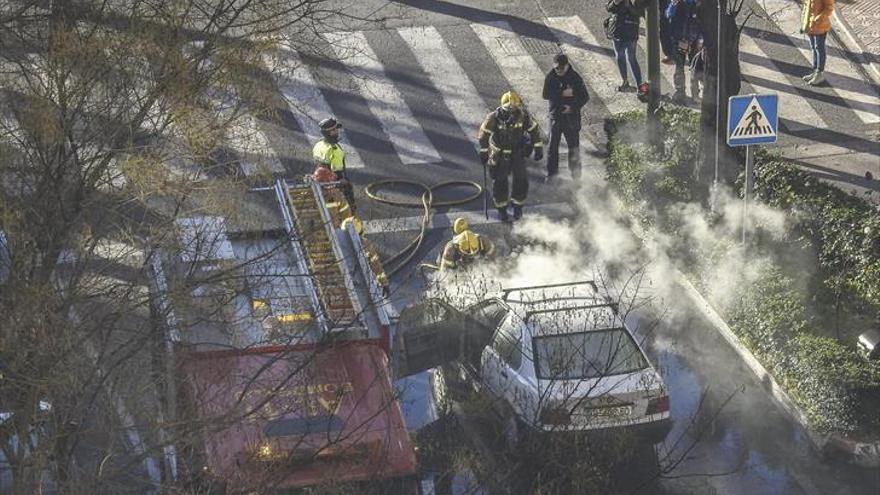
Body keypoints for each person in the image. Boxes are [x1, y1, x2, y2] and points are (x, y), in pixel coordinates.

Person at [477, 91, 544, 221]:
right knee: (500, 182)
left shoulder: (523, 116)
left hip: (517, 152)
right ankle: (502, 210)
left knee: (521, 181)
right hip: (500, 155)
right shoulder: (494, 118)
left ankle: (518, 208)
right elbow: (483, 134)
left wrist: (538, 147)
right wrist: (484, 151)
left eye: (514, 108)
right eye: (508, 108)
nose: (511, 111)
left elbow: (534, 130)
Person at [542, 54, 589, 182]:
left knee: (573, 148)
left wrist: (572, 108)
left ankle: (576, 176)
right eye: (557, 68)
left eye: (561, 69)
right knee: (552, 147)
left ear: (567, 66)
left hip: (571, 118)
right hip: (555, 117)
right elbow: (545, 94)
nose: (559, 71)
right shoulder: (551, 77)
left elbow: (585, 97)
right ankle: (551, 175)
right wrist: (562, 93)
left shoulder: (575, 78)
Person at [606, 0, 648, 96]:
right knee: (620, 56)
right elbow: (609, 8)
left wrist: (629, 5)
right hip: (617, 31)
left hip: (630, 32)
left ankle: (639, 86)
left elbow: (640, 13)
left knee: (631, 58)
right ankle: (625, 82)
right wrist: (616, 3)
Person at [340, 216, 390, 296]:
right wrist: (384, 283)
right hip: (364, 284)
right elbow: (376, 265)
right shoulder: (366, 244)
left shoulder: (338, 244)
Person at [665, 0, 703, 103]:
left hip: (693, 41)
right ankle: (680, 92)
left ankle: (695, 94)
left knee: (694, 69)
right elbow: (668, 14)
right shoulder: (676, 2)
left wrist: (700, 40)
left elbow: (702, 22)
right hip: (679, 40)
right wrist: (673, 4)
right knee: (679, 67)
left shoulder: (697, 3)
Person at [312, 117, 355, 206]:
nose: (337, 131)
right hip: (331, 183)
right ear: (331, 132)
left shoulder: (318, 145)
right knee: (347, 191)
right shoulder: (335, 151)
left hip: (318, 180)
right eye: (335, 129)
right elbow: (338, 173)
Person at [801, 0, 835, 86]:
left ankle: (820, 72)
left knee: (819, 48)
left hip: (820, 26)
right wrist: (804, 24)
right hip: (810, 25)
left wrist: (819, 18)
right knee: (813, 47)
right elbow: (806, 8)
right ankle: (815, 70)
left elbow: (829, 8)